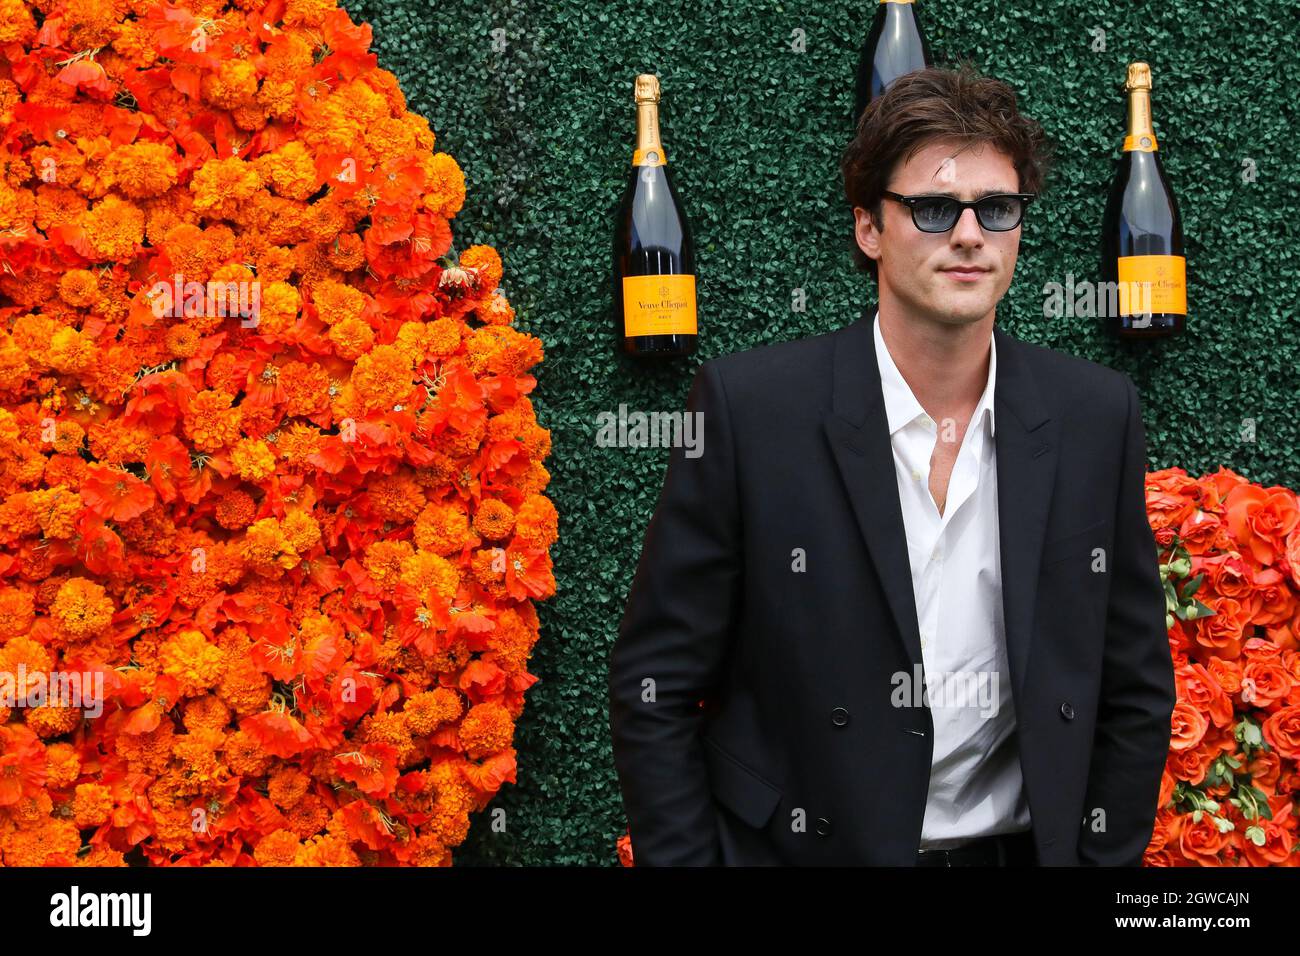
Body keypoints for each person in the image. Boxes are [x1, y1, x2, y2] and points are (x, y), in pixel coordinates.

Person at [607, 63, 1176, 866]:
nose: (970, 234)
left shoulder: (1094, 414)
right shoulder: (753, 410)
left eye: (998, 208)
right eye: (935, 208)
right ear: (869, 227)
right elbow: (654, 683)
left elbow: (1136, 686)